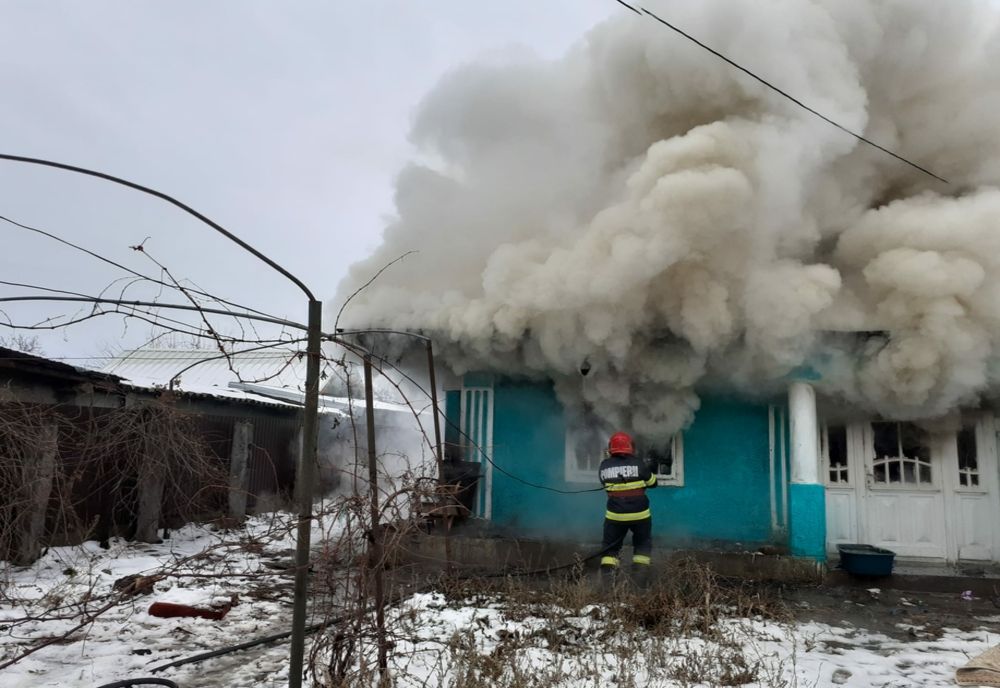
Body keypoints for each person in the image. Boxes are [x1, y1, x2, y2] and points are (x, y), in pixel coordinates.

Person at [598, 431, 656, 588]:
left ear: (611, 448)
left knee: (610, 549)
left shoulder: (604, 466)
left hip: (615, 516)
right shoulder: (639, 464)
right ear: (630, 447)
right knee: (642, 546)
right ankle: (639, 583)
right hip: (640, 516)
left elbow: (605, 485)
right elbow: (653, 483)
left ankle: (608, 586)